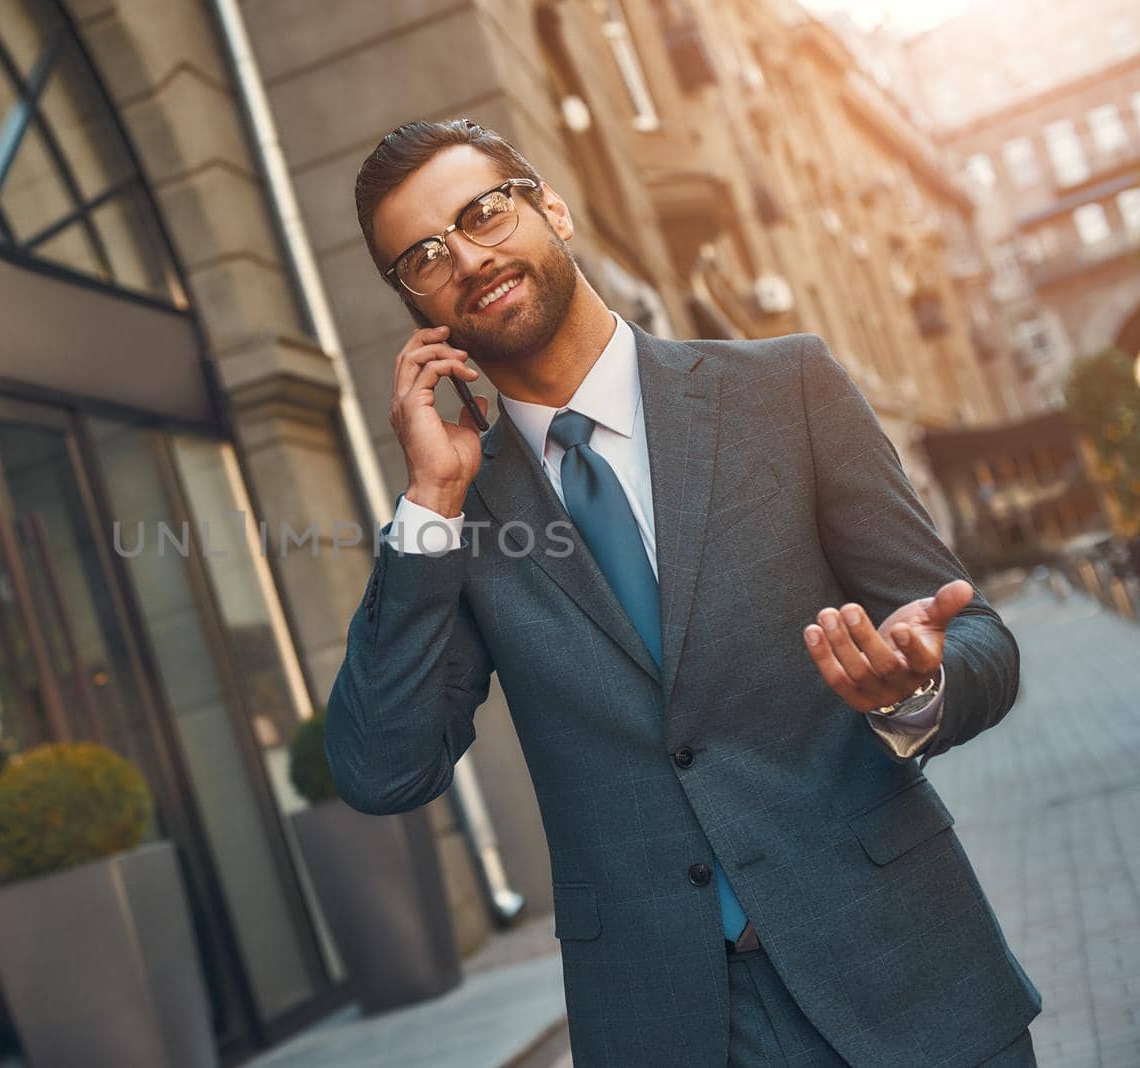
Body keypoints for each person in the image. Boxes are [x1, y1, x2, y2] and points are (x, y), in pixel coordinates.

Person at [324, 119, 1039, 1067]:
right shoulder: (457, 517)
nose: (466, 257)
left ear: (553, 208)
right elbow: (382, 770)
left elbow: (980, 639)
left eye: (483, 213)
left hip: (901, 970)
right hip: (669, 1023)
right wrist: (429, 504)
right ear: (414, 300)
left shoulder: (785, 389)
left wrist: (918, 688)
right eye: (423, 254)